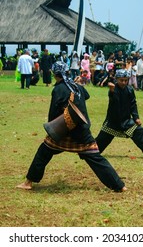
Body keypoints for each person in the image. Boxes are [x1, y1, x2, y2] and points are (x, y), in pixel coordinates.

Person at [16, 61, 126, 192]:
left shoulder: (59, 88)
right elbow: (86, 95)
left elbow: (53, 113)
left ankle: (28, 182)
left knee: (43, 152)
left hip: (64, 131)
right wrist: (78, 85)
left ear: (54, 73)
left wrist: (53, 129)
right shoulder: (75, 85)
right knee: (96, 158)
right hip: (81, 130)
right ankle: (120, 186)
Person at [95, 69, 143, 160]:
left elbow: (133, 104)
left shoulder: (130, 90)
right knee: (101, 140)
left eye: (126, 80)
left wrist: (136, 117)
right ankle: (89, 152)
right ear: (117, 79)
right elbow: (114, 101)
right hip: (112, 121)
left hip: (126, 121)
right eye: (121, 80)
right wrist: (112, 91)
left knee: (139, 131)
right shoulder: (113, 89)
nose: (124, 82)